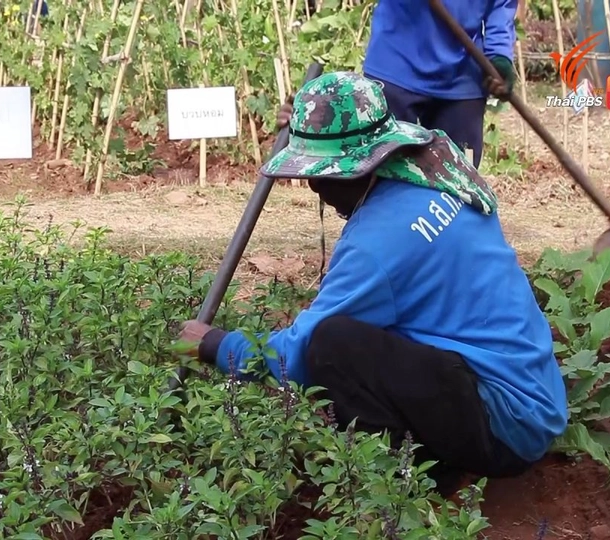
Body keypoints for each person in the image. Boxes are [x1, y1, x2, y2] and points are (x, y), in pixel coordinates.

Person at [177, 72, 568, 496]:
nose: (312, 186)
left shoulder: (376, 246)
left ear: (340, 175)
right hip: (536, 395)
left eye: (314, 175)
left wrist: (215, 345)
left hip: (503, 426)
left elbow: (299, 355)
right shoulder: (437, 162)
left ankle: (419, 482)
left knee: (332, 344)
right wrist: (318, 120)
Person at [362, 0, 519, 168]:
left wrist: (499, 54)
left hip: (462, 73)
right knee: (379, 170)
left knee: (461, 179)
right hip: (396, 60)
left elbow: (501, 6)